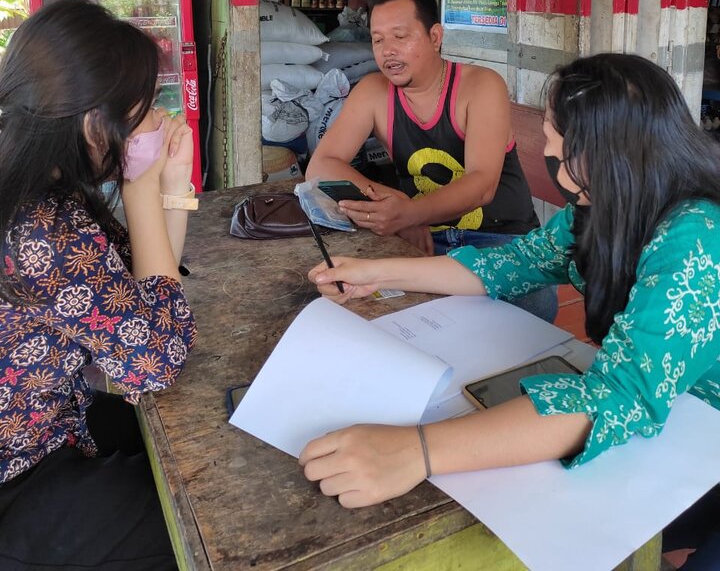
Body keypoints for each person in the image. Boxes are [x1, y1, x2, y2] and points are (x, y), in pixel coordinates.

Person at [301, 52, 720, 568]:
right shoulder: (602, 208)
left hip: (703, 436)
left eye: (559, 139)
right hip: (672, 424)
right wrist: (376, 273)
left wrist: (416, 451)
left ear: (610, 149)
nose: (548, 150)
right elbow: (508, 265)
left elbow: (616, 396)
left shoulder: (697, 236)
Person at [0, 0, 197, 570]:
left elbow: (141, 289)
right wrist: (139, 188)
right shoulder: (42, 232)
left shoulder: (36, 182)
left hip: (54, 419)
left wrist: (170, 188)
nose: (157, 116)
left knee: (184, 449)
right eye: (145, 105)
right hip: (19, 474)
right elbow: (157, 356)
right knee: (198, 523)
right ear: (93, 122)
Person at [306, 0, 556, 322]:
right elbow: (321, 165)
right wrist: (397, 208)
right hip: (423, 244)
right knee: (351, 306)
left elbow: (482, 184)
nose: (387, 51)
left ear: (435, 37)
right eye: (377, 39)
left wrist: (409, 213)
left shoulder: (481, 86)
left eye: (400, 37)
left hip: (500, 243)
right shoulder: (373, 92)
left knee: (514, 326)